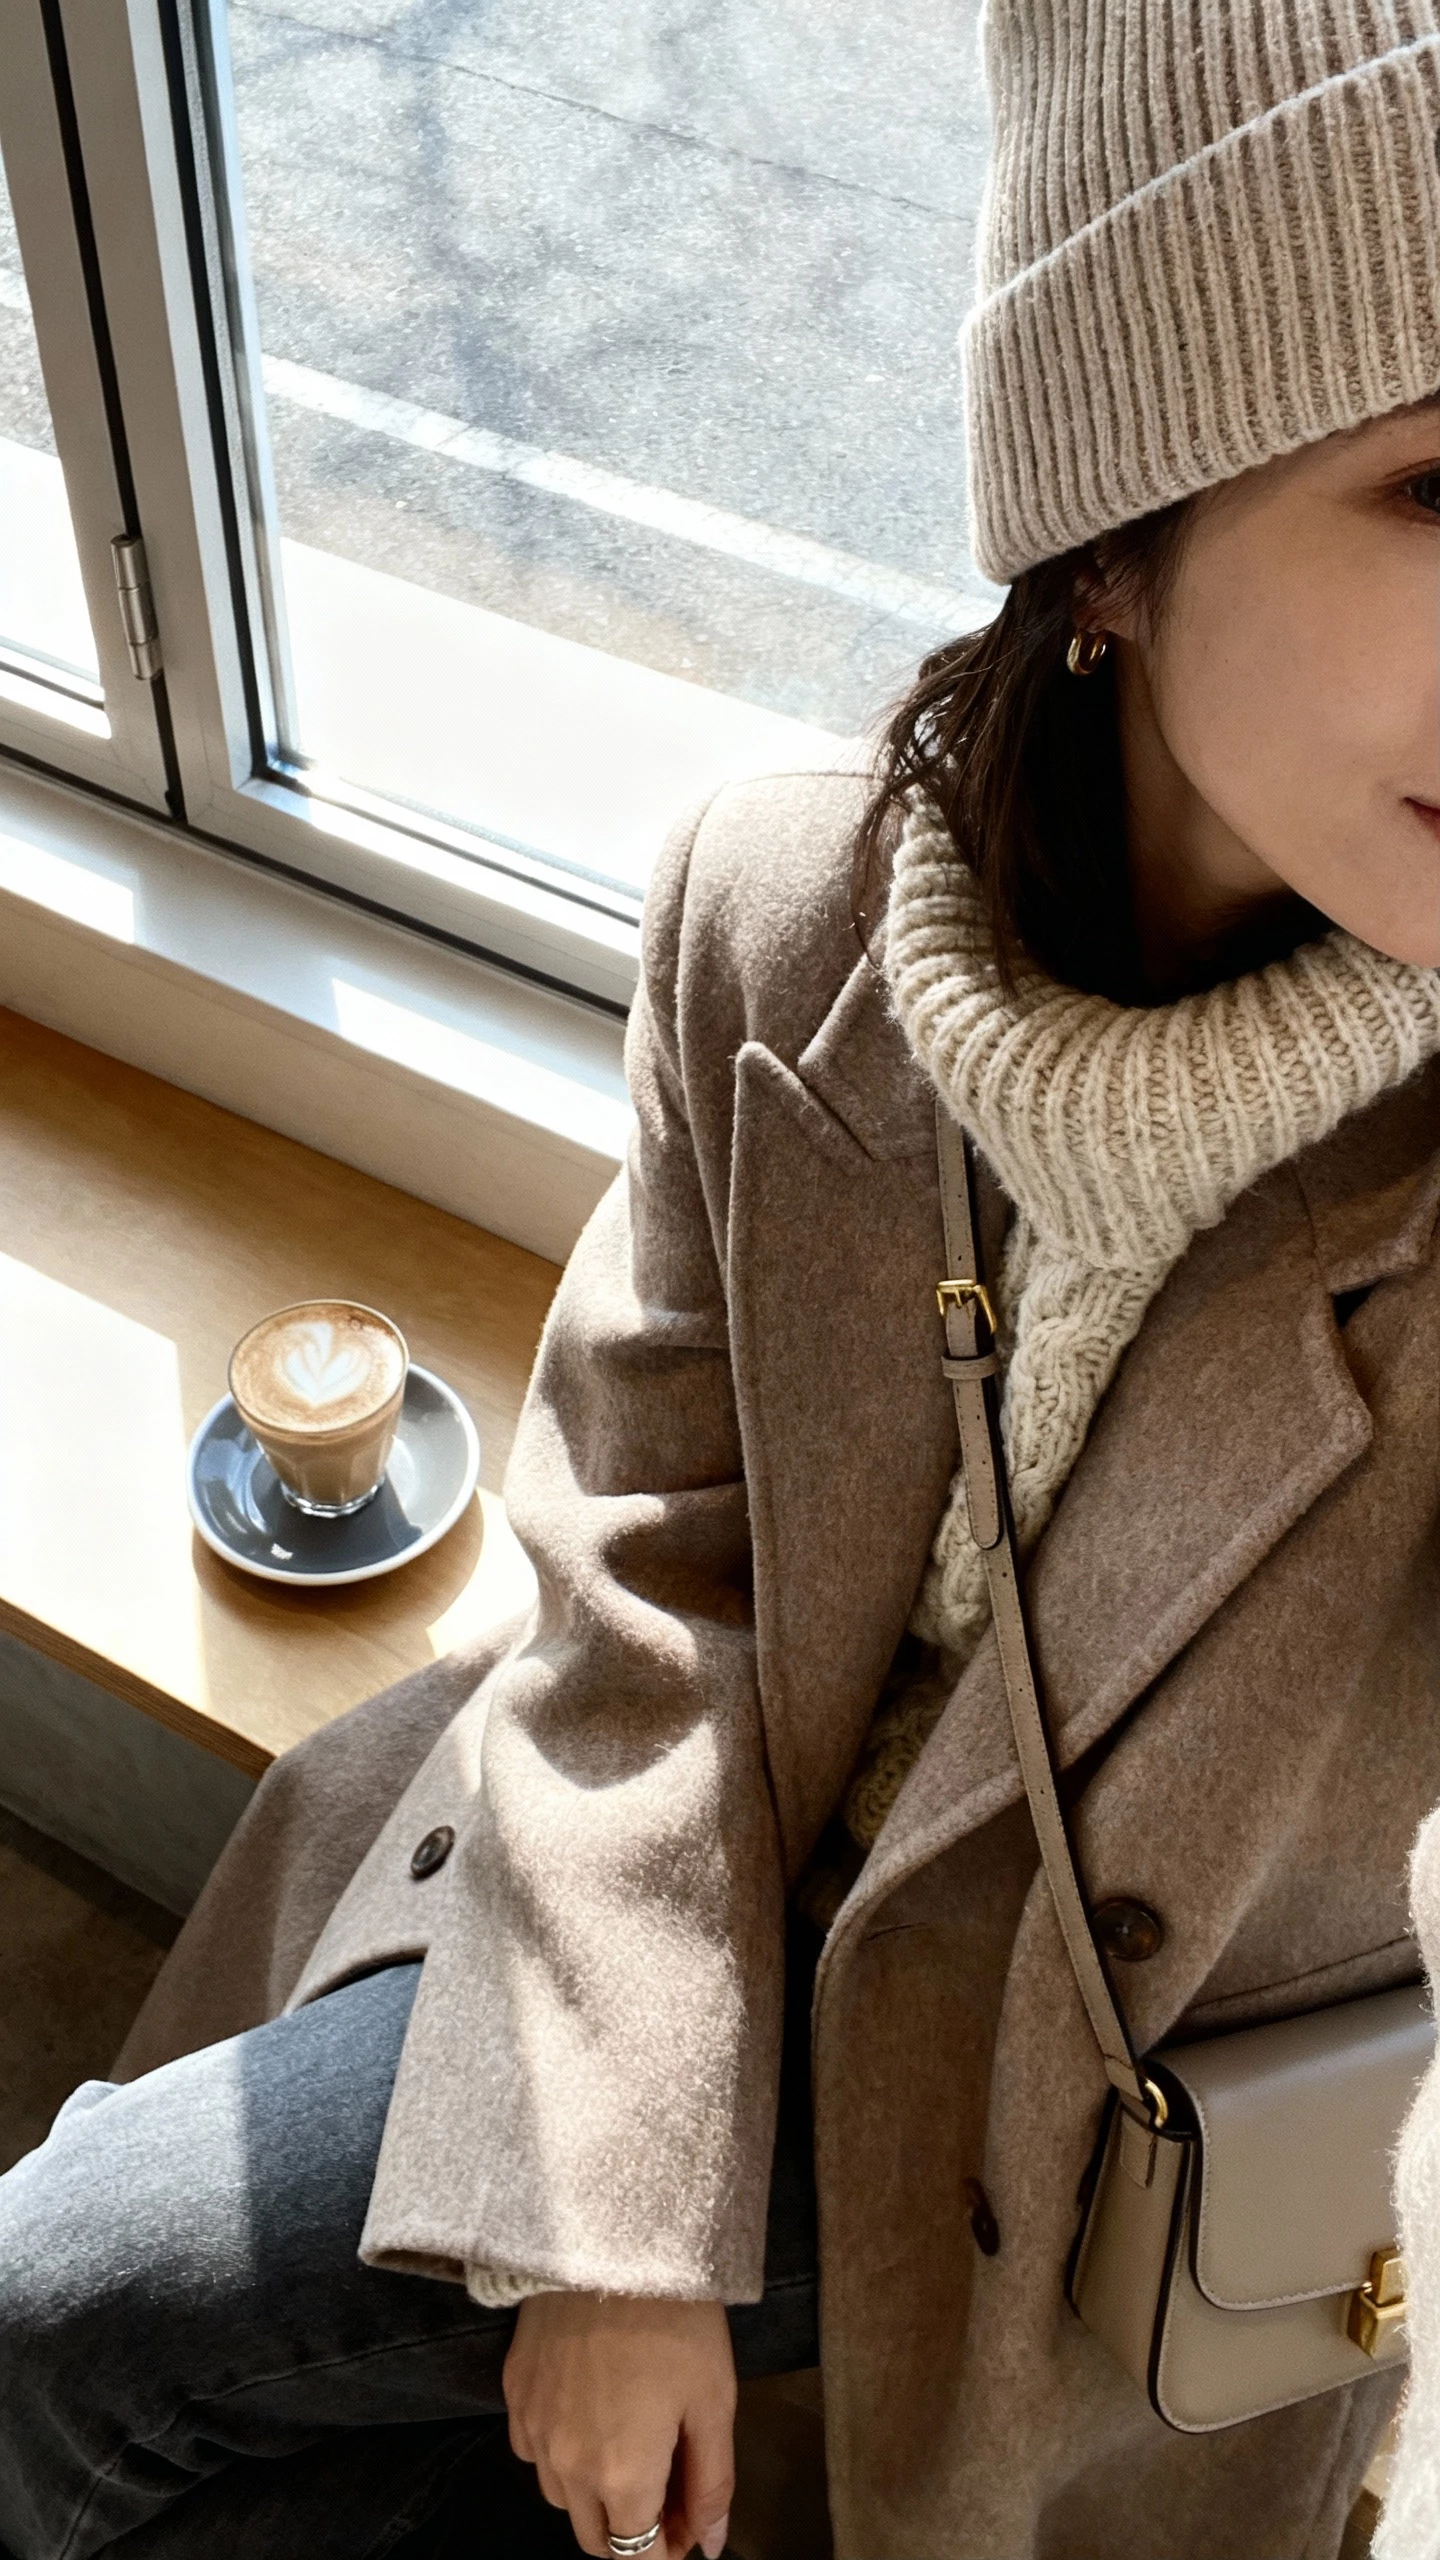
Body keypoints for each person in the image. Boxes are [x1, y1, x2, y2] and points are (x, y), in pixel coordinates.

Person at [5, 5, 1440, 2556]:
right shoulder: (780, 917)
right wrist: (613, 2209)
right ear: (1112, 529)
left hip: (1077, 2149)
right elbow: (647, 1533)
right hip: (675, 1893)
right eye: (1437, 488)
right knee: (78, 2327)